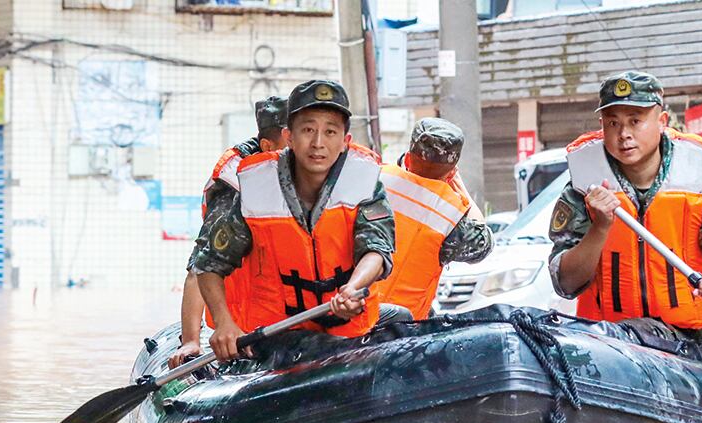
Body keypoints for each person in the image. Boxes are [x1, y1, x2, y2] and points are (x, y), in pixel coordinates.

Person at [548, 71, 702, 347]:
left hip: (686, 344)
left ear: (662, 121)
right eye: (613, 123)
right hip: (610, 345)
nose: (624, 134)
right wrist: (600, 228)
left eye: (635, 121)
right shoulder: (583, 187)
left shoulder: (697, 183)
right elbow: (565, 283)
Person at [192, 79, 395, 363]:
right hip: (277, 336)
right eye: (308, 130)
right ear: (289, 136)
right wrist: (224, 323)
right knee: (313, 348)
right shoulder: (256, 188)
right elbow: (208, 264)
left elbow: (377, 249)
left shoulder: (365, 182)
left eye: (330, 132)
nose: (318, 143)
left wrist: (352, 288)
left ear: (345, 141)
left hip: (348, 328)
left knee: (402, 318)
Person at [170, 96, 288, 368]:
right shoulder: (234, 186)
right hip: (242, 327)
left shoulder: (310, 176)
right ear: (268, 146)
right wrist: (191, 341)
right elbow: (200, 266)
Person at [375, 118, 493, 319]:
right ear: (451, 173)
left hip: (350, 312)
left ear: (408, 159)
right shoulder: (451, 213)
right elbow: (483, 244)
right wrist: (459, 186)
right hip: (402, 327)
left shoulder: (375, 178)